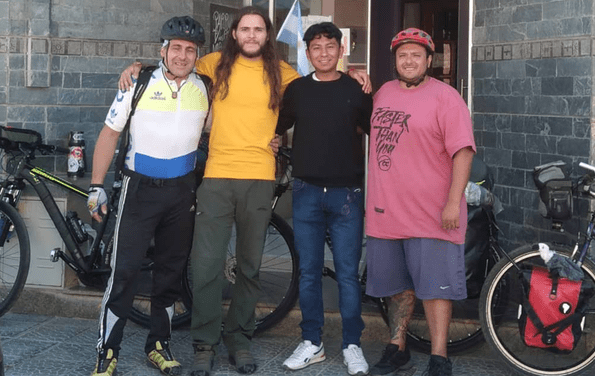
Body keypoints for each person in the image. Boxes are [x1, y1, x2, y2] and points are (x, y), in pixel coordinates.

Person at [118, 9, 370, 376]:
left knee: (249, 267)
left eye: (258, 30)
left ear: (267, 36)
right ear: (235, 33)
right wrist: (136, 66)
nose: (252, 35)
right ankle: (205, 344)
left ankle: (239, 339)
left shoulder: (285, 75)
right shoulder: (211, 63)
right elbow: (172, 64)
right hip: (216, 178)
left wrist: (354, 76)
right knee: (205, 266)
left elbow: (324, 86)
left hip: (260, 180)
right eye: (245, 29)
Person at [87, 16, 210, 376]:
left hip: (181, 191)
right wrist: (95, 187)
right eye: (176, 48)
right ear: (163, 50)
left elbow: (215, 130)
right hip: (138, 189)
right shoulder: (137, 82)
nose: (183, 55)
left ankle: (158, 344)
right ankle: (108, 351)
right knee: (124, 273)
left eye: (190, 50)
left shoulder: (206, 88)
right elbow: (110, 134)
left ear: (197, 55)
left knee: (171, 273)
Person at [365, 28, 476, 376]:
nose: (409, 61)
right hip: (386, 211)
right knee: (396, 286)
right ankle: (397, 347)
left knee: (434, 288)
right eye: (402, 55)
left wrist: (453, 203)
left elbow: (463, 152)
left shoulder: (447, 98)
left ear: (429, 60)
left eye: (416, 55)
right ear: (395, 61)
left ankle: (439, 355)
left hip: (432, 212)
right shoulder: (382, 93)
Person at [275, 22, 372, 376]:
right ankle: (311, 341)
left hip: (347, 193)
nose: (323, 53)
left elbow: (377, 127)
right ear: (307, 52)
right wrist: (273, 142)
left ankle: (352, 345)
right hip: (306, 193)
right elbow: (279, 127)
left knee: (347, 274)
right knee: (309, 272)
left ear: (341, 49)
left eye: (330, 46)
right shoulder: (297, 89)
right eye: (316, 47)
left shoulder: (356, 89)